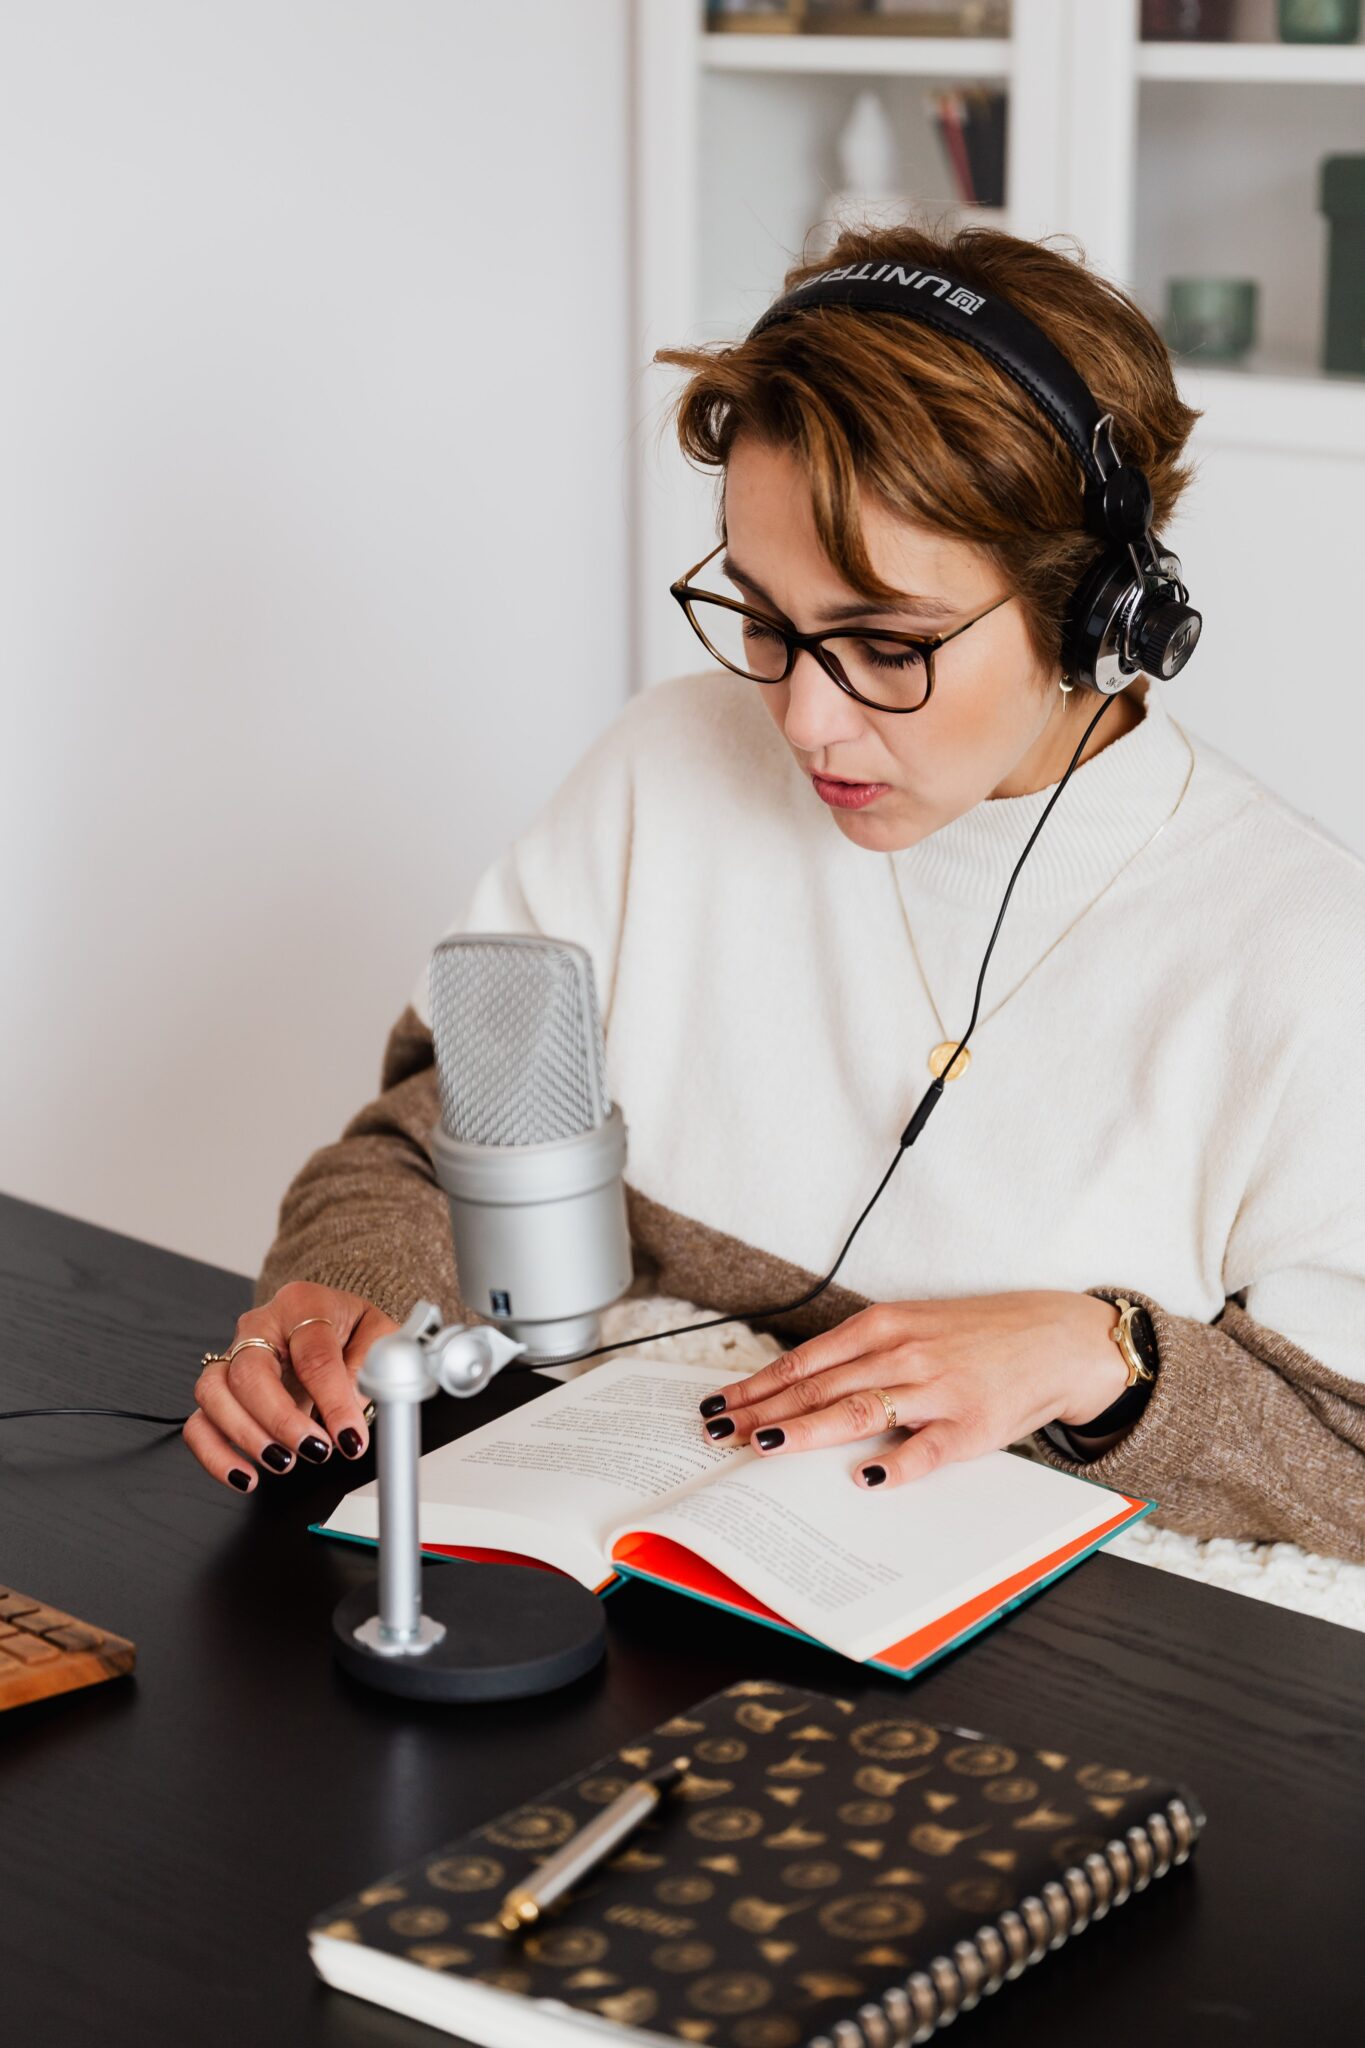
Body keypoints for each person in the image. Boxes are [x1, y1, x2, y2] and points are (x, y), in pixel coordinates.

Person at [185, 223, 1365, 1561]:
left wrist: (1116, 1361)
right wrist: (338, 1302)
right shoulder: (662, 763)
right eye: (763, 614)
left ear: (1099, 618)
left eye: (884, 643)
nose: (801, 716)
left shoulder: (1308, 953)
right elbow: (425, 1143)